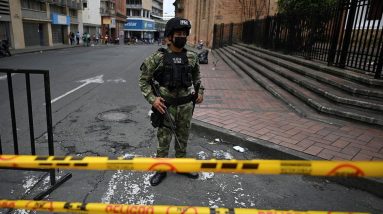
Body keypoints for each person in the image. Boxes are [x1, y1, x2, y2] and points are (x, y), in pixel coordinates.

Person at [139, 17, 204, 186]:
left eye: (184, 33)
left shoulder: (192, 56)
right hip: (165, 107)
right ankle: (161, 169)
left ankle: (180, 166)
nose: (182, 37)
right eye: (178, 34)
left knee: (183, 138)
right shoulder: (157, 58)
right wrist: (153, 99)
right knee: (164, 140)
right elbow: (143, 80)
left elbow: (197, 77)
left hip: (186, 106)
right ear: (169, 37)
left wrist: (200, 92)